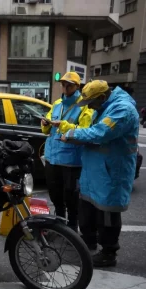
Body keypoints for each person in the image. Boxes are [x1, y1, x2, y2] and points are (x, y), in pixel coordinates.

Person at [60, 80, 139, 267]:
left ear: (103, 97)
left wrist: (72, 135)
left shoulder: (122, 110)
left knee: (107, 214)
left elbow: (100, 133)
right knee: (87, 208)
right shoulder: (104, 106)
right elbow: (92, 132)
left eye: (92, 103)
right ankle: (88, 242)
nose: (90, 107)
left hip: (111, 171)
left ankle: (108, 253)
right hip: (94, 170)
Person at [41, 72, 94, 232]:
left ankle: (72, 226)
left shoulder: (84, 106)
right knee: (55, 194)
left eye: (69, 84)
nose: (65, 87)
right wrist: (45, 123)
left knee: (71, 196)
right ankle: (59, 224)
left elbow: (86, 131)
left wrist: (63, 125)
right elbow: (46, 130)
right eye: (63, 84)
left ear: (77, 86)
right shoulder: (57, 103)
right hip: (52, 157)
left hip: (71, 160)